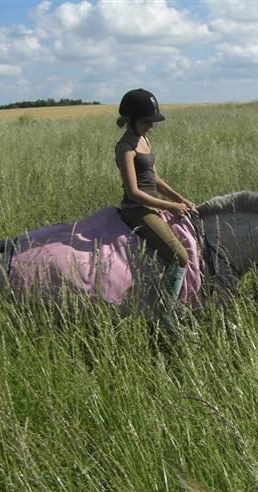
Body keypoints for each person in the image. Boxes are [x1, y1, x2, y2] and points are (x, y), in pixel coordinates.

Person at [114, 88, 196, 329]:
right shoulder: (125, 147)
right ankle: (166, 318)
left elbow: (155, 179)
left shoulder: (144, 140)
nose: (150, 126)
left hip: (155, 205)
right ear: (131, 120)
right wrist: (170, 205)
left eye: (152, 121)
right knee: (180, 257)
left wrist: (181, 198)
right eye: (146, 121)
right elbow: (134, 192)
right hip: (137, 209)